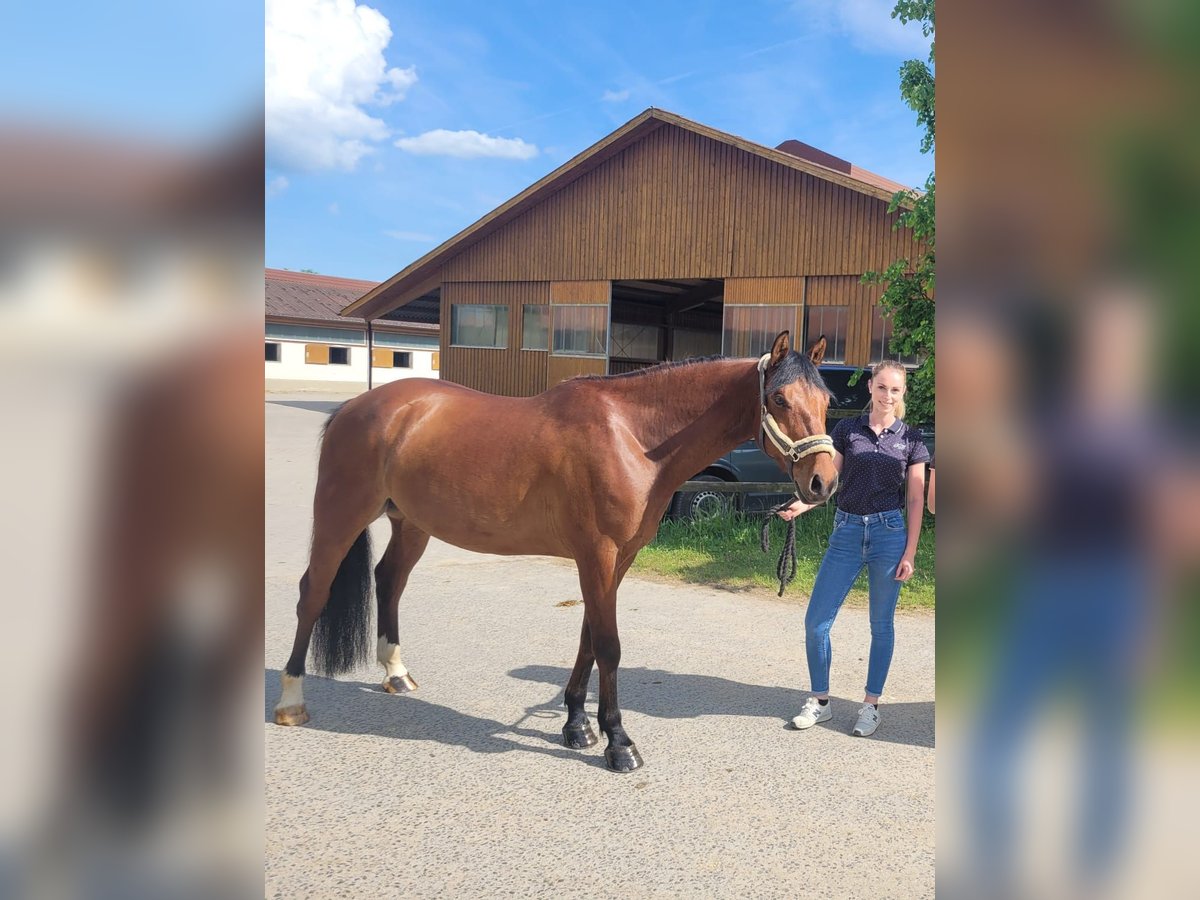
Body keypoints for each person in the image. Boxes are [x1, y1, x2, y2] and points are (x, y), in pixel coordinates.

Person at [779, 359, 929, 736]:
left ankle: (870, 706)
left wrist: (910, 552)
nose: (887, 395)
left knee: (881, 625)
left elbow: (915, 499)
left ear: (902, 393)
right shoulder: (848, 429)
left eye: (895, 389)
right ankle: (820, 702)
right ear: (870, 387)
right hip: (846, 532)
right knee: (816, 622)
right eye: (882, 387)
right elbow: (830, 478)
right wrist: (803, 504)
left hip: (889, 535)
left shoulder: (912, 439)